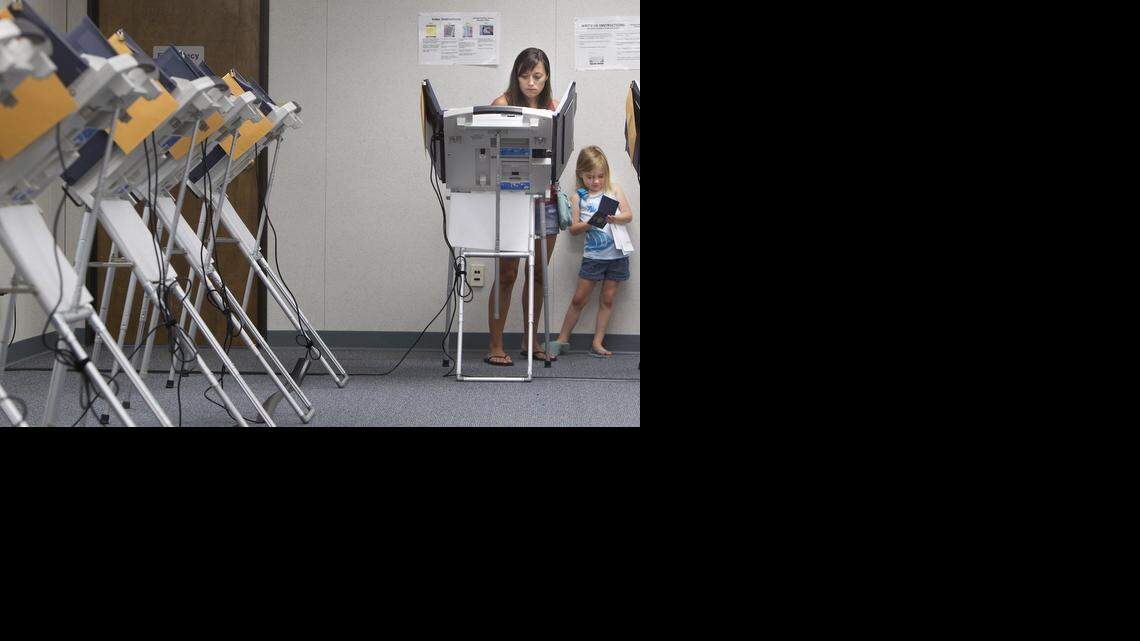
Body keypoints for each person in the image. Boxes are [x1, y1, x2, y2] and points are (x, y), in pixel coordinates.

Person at [483, 47, 560, 366]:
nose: (531, 83)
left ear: (546, 78)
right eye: (525, 76)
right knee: (507, 273)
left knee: (539, 272)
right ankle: (495, 345)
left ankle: (530, 341)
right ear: (516, 76)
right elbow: (485, 152)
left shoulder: (552, 107)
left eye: (538, 76)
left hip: (545, 196)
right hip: (511, 198)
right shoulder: (501, 104)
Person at [549, 146, 634, 358]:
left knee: (608, 299)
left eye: (599, 176)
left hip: (617, 256)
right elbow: (574, 229)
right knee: (579, 299)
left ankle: (597, 342)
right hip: (593, 258)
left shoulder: (613, 190)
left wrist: (615, 218)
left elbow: (628, 215)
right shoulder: (578, 197)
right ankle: (561, 340)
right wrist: (592, 222)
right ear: (580, 174)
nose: (595, 181)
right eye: (590, 177)